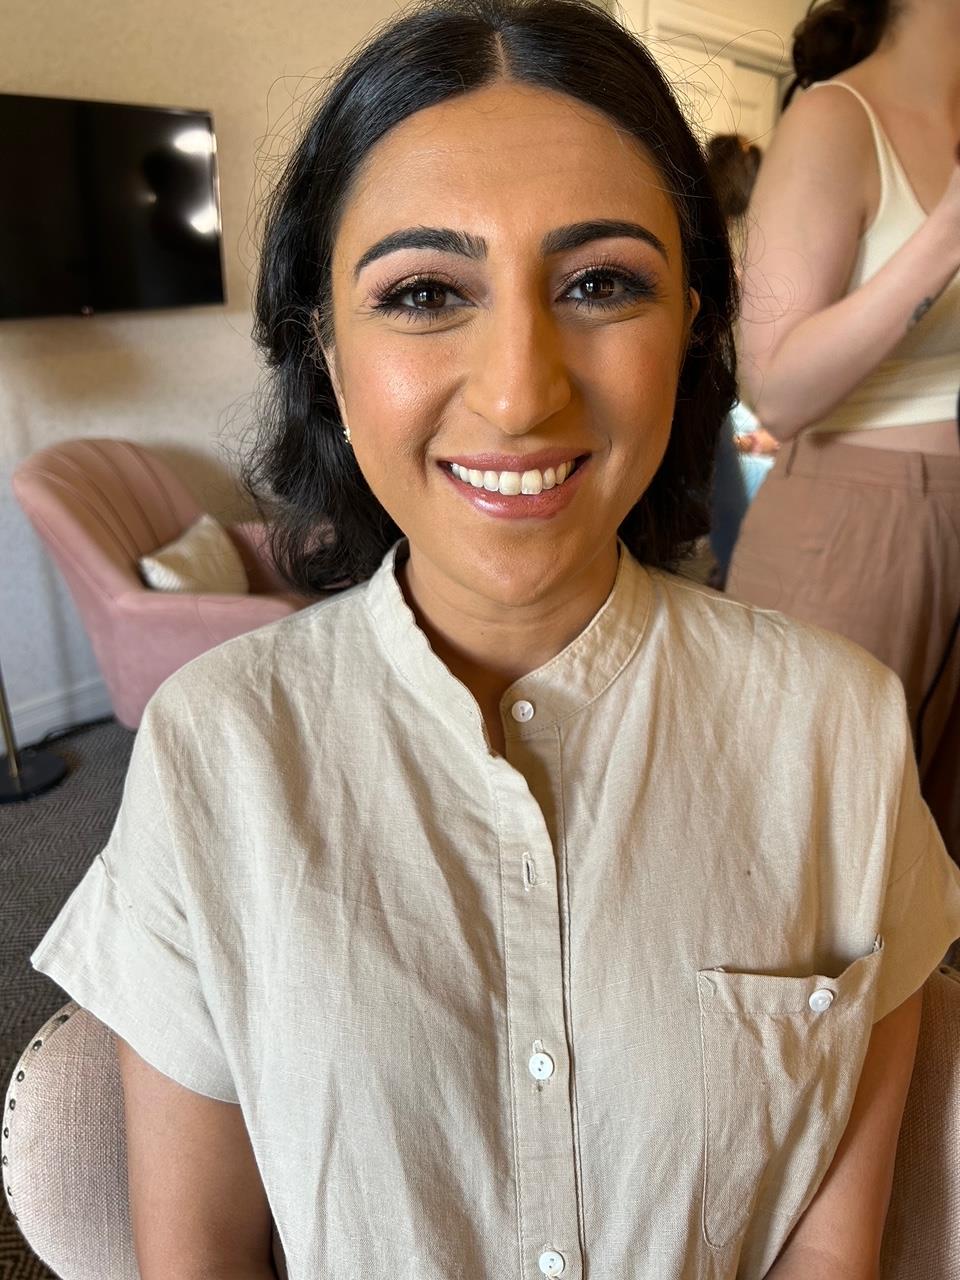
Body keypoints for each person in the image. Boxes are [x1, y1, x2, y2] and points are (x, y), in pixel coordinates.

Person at [29, 2, 960, 1278]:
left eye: (601, 282)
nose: (522, 392)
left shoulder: (840, 725)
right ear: (326, 349)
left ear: (692, 321)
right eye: (422, 292)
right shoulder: (219, 744)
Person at [725, 0, 960, 860]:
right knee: (808, 863)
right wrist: (948, 233)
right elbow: (776, 392)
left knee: (934, 896)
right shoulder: (835, 117)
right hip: (857, 524)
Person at [703, 134, 780, 584]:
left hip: (719, 391)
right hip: (715, 387)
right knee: (729, 501)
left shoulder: (723, 234)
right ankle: (734, 571)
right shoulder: (738, 241)